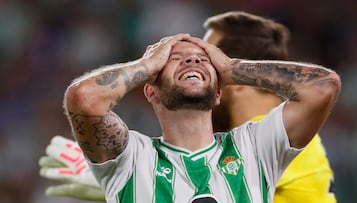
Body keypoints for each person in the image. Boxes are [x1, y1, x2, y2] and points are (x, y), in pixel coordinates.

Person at [59, 30, 340, 203]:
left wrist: (231, 68)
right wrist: (146, 64)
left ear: (219, 93)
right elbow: (84, 98)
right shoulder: (131, 159)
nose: (192, 60)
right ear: (151, 91)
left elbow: (324, 88)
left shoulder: (255, 148)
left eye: (203, 59)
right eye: (174, 59)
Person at [203, 11, 337, 203]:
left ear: (237, 77)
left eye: (207, 63)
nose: (198, 77)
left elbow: (324, 86)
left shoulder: (280, 138)